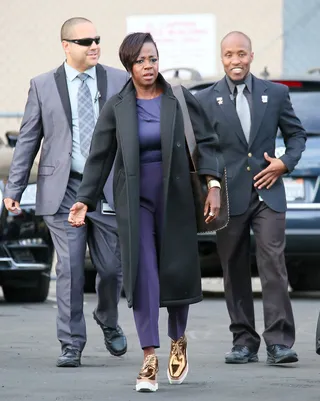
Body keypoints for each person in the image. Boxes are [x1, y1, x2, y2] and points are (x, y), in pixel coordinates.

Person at [68, 32, 224, 392]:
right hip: (135, 199)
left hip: (178, 197)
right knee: (143, 274)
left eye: (152, 59)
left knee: (177, 268)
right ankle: (149, 356)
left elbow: (209, 144)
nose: (148, 66)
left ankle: (178, 338)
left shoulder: (180, 99)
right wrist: (85, 198)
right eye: (140, 61)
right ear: (129, 65)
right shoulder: (117, 106)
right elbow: (100, 155)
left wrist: (213, 186)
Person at [3, 17, 129, 367]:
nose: (93, 46)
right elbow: (29, 138)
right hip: (63, 188)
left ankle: (107, 317)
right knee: (71, 268)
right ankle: (71, 342)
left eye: (97, 39)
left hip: (105, 188)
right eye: (85, 40)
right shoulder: (43, 85)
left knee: (111, 268)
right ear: (66, 46)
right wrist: (14, 187)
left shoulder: (118, 80)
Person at [195, 31, 307, 365]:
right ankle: (244, 340)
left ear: (251, 55)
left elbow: (296, 134)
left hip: (268, 194)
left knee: (273, 263)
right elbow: (204, 148)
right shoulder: (204, 99)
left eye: (241, 54)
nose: (235, 61)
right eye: (229, 55)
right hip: (227, 195)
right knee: (233, 268)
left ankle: (279, 342)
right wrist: (212, 185)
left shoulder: (275, 94)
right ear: (222, 58)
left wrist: (286, 162)